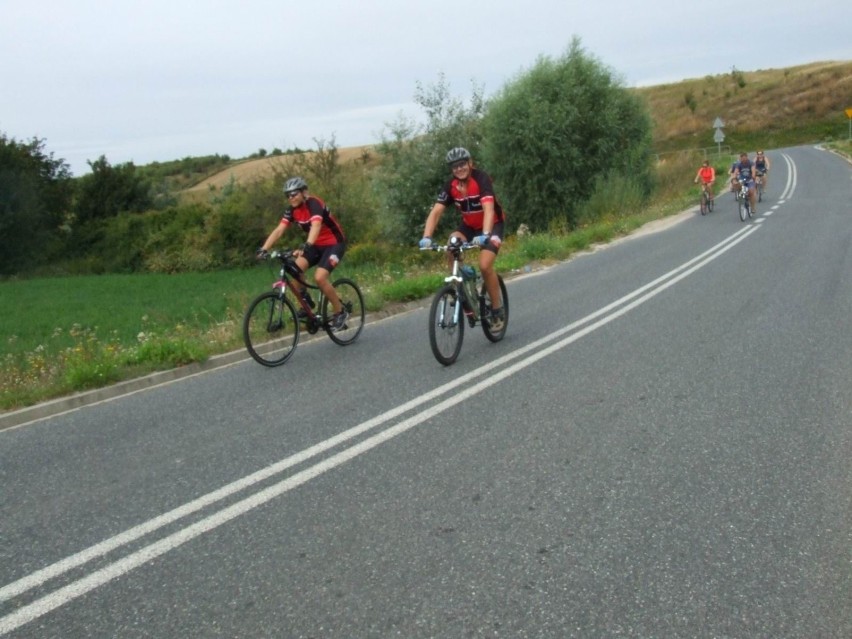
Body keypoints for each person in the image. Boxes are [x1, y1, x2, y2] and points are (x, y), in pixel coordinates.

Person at [419, 147, 506, 330]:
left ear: (470, 163)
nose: (459, 169)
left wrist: (486, 235)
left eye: (462, 164)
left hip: (492, 225)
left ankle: (497, 310)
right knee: (452, 244)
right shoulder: (450, 186)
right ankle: (461, 289)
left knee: (484, 265)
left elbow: (489, 210)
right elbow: (436, 212)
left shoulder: (481, 179)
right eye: (454, 166)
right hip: (469, 227)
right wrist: (427, 237)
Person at [256, 176, 349, 330]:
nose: (291, 198)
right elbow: (279, 230)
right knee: (293, 270)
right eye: (288, 195)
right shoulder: (292, 211)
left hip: (334, 244)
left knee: (320, 278)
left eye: (294, 194)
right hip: (315, 245)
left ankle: (340, 312)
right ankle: (306, 303)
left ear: (303, 192)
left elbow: (316, 225)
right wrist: (264, 249)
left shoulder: (314, 203)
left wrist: (308, 244)